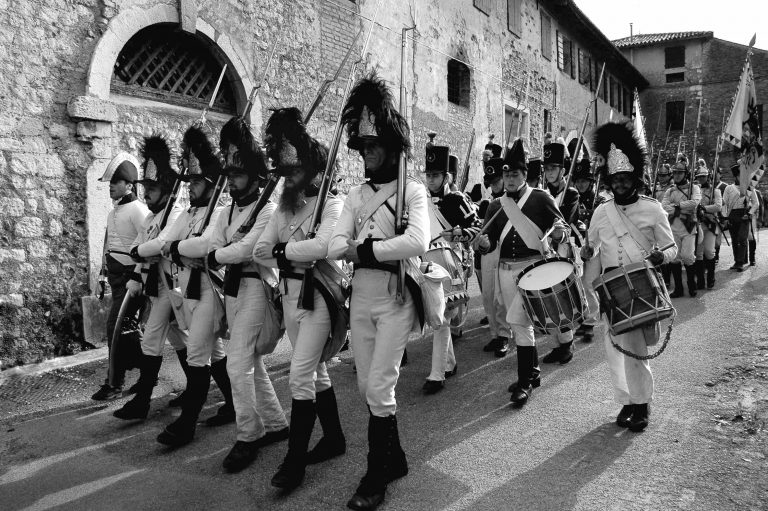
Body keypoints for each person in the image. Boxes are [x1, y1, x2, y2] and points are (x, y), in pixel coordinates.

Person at [327, 72, 428, 511]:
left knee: (379, 388)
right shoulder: (354, 195)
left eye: (372, 146)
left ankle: (375, 475)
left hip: (395, 296)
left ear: (390, 147)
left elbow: (418, 242)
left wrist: (364, 249)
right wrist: (365, 250)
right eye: (363, 147)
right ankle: (397, 458)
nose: (367, 155)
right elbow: (334, 244)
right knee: (368, 385)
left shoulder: (414, 191)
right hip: (361, 297)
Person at [252, 108, 346, 488]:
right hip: (289, 295)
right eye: (286, 172)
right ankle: (335, 437)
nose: (289, 178)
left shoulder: (333, 205)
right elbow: (260, 249)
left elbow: (324, 247)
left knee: (299, 374)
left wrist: (284, 250)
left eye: (294, 171)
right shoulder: (284, 208)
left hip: (319, 297)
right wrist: (291, 250)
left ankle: (294, 464)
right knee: (316, 371)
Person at [204, 115, 289, 472]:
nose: (232, 182)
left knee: (237, 364)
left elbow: (248, 252)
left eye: (238, 175)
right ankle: (276, 423)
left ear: (255, 177)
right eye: (230, 175)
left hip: (257, 286)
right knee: (250, 362)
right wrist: (220, 250)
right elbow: (212, 241)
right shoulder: (226, 212)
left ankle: (248, 434)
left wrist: (219, 253)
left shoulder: (268, 208)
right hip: (233, 289)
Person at [581, 121, 677, 432]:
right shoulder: (600, 212)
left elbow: (672, 247)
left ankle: (641, 404)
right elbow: (592, 246)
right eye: (615, 179)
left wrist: (662, 256)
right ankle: (625, 401)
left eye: (625, 178)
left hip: (642, 285)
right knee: (613, 351)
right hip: (612, 289)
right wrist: (586, 252)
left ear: (634, 178)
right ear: (608, 181)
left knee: (635, 350)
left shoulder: (653, 209)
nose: (620, 184)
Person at [475, 138, 569, 407]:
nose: (510, 179)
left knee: (520, 324)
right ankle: (533, 372)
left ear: (525, 174)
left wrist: (559, 232)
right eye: (506, 174)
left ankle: (525, 383)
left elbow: (559, 224)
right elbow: (490, 241)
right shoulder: (495, 206)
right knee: (518, 325)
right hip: (505, 271)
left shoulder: (541, 198)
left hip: (531, 270)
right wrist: (484, 245)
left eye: (515, 174)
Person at [155, 124, 232, 447]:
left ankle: (187, 424)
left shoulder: (221, 211)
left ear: (212, 184)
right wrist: (178, 245)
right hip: (188, 287)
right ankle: (235, 404)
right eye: (190, 181)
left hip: (210, 289)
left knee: (197, 355)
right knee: (214, 354)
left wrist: (177, 247)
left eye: (197, 182)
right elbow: (166, 241)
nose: (191, 187)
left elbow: (205, 247)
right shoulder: (188, 213)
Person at [113, 136, 187, 420]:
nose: (148, 195)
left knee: (152, 338)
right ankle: (199, 387)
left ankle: (142, 401)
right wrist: (136, 271)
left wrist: (138, 252)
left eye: (153, 190)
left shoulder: (176, 212)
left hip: (173, 285)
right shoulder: (151, 217)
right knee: (181, 339)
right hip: (156, 286)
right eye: (147, 188)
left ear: (168, 191)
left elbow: (158, 246)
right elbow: (145, 247)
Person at [421, 136, 480, 394]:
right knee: (436, 315)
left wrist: (456, 235)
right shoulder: (420, 200)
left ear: (446, 177)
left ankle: (437, 374)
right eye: (429, 175)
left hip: (452, 261)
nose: (431, 180)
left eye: (436, 175)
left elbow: (477, 227)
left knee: (442, 317)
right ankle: (449, 363)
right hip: (425, 261)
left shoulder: (458, 199)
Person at [92, 152, 149, 401]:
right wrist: (103, 274)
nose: (111, 187)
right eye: (110, 183)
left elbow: (147, 244)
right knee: (127, 330)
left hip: (131, 279)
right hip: (115, 278)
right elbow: (110, 245)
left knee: (116, 328)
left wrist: (137, 277)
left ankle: (114, 384)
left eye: (116, 182)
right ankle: (149, 372)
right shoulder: (113, 211)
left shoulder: (138, 210)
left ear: (129, 184)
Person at [539, 139, 579, 362]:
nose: (549, 172)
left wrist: (557, 220)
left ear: (563, 170)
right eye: (547, 168)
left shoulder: (571, 194)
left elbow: (569, 219)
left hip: (563, 248)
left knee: (561, 298)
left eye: (553, 168)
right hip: (545, 249)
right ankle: (555, 344)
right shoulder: (542, 193)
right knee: (547, 299)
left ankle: (568, 343)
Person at [476, 153, 512, 357]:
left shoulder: (514, 201)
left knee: (503, 295)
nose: (494, 186)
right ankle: (494, 333)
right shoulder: (490, 204)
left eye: (497, 181)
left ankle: (505, 335)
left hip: (507, 249)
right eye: (491, 182)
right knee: (489, 293)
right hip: (490, 249)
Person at [661, 154, 701, 297]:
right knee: (674, 258)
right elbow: (664, 207)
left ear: (686, 174)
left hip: (688, 228)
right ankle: (678, 289)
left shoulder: (694, 188)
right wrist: (682, 208)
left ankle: (692, 285)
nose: (677, 175)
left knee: (688, 256)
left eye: (680, 173)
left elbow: (694, 203)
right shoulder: (670, 190)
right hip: (673, 228)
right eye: (675, 173)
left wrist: (676, 206)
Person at [571, 157, 598, 342]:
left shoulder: (600, 200)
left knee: (589, 284)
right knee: (578, 285)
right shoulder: (571, 199)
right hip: (576, 246)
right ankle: (583, 319)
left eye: (584, 181)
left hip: (595, 247)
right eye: (578, 181)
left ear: (590, 182)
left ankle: (591, 322)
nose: (581, 184)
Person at [722, 163, 759, 272]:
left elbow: (756, 203)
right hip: (732, 216)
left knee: (742, 239)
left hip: (744, 216)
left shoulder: (749, 188)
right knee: (734, 239)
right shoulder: (729, 188)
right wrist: (725, 217)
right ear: (736, 176)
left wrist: (749, 213)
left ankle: (741, 262)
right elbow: (724, 203)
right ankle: (737, 261)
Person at [693, 160, 722, 289]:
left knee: (709, 252)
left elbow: (718, 206)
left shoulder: (715, 191)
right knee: (698, 254)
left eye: (703, 177)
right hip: (697, 225)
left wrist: (703, 209)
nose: (701, 179)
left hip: (709, 224)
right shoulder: (693, 191)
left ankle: (711, 277)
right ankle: (700, 280)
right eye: (699, 177)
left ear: (708, 177)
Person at [653, 164, 674, 286]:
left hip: (670, 220)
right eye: (660, 175)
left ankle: (667, 279)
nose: (661, 177)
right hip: (655, 220)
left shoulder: (672, 188)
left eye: (664, 175)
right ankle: (661, 278)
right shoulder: (655, 188)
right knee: (657, 249)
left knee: (667, 249)